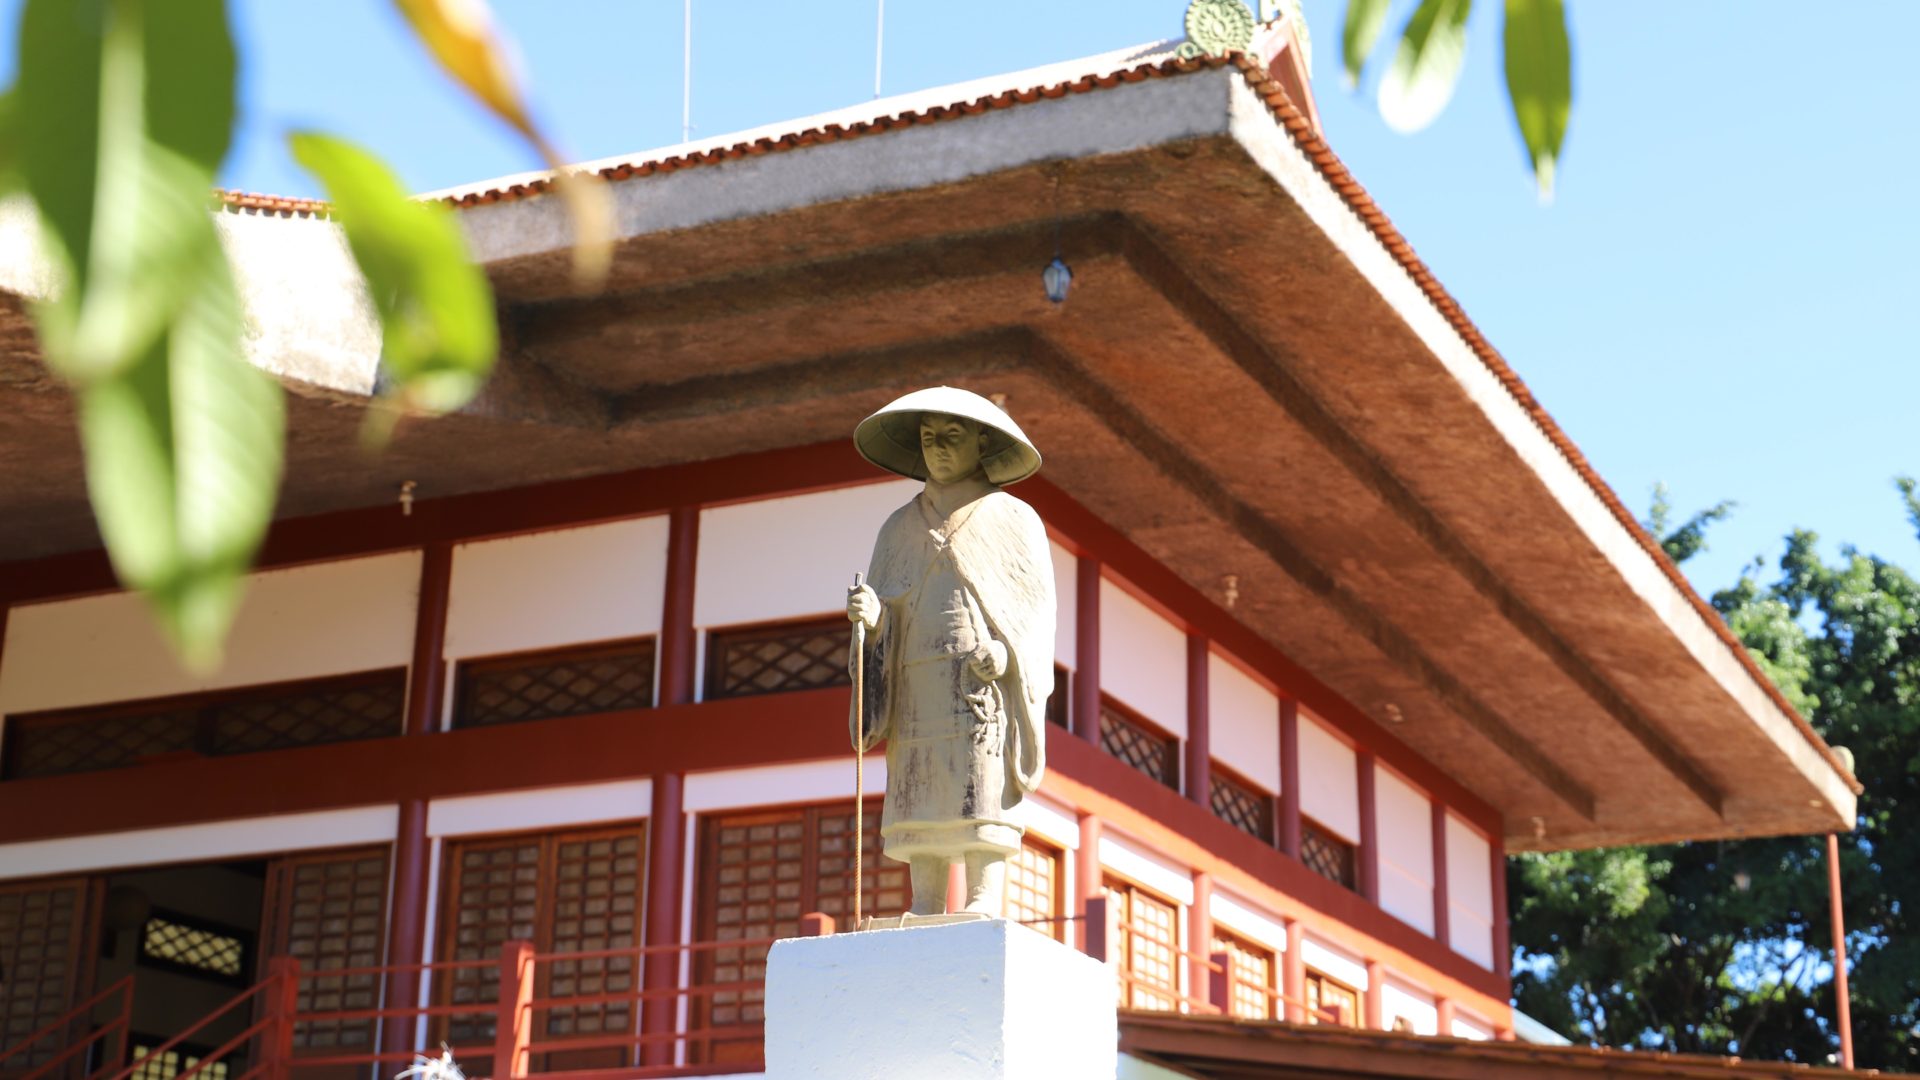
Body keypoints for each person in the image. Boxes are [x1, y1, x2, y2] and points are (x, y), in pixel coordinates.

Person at [845, 387, 1056, 918]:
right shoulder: (897, 527)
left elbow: (1033, 612)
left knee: (981, 778)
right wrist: (872, 621)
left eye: (953, 437)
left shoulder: (1013, 518)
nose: (938, 448)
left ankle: (986, 893)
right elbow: (887, 605)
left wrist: (1006, 658)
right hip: (914, 675)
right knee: (919, 778)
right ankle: (926, 900)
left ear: (982, 442)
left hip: (979, 680)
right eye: (929, 437)